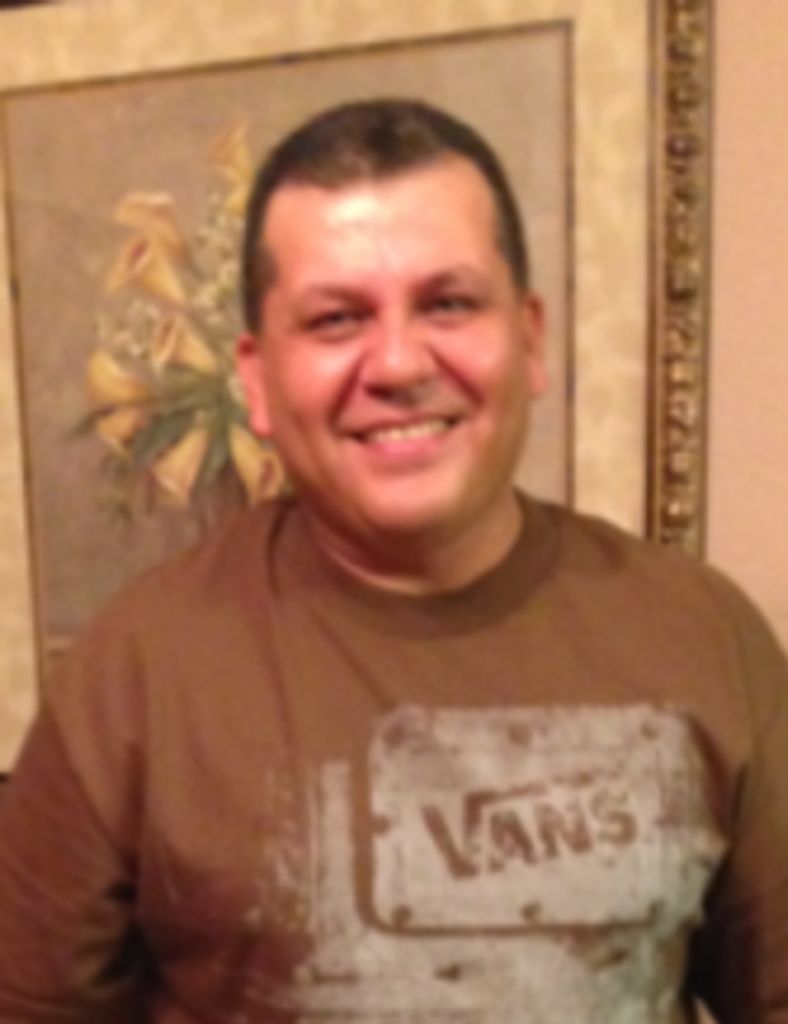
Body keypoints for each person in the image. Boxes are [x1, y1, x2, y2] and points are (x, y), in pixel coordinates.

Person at [0, 98, 786, 1024]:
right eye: (336, 319)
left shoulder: (705, 635)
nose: (399, 363)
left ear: (529, 338)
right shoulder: (130, 673)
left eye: (448, 303)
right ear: (256, 379)